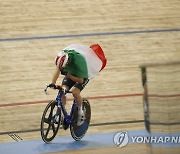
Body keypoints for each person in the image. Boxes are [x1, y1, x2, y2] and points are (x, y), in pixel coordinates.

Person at [48, 44, 107, 128]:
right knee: (62, 90)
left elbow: (80, 80)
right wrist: (53, 83)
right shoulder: (61, 58)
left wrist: (68, 75)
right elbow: (58, 70)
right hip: (71, 73)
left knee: (75, 92)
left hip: (82, 75)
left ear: (68, 62)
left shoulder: (79, 62)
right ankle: (62, 113)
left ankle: (80, 112)